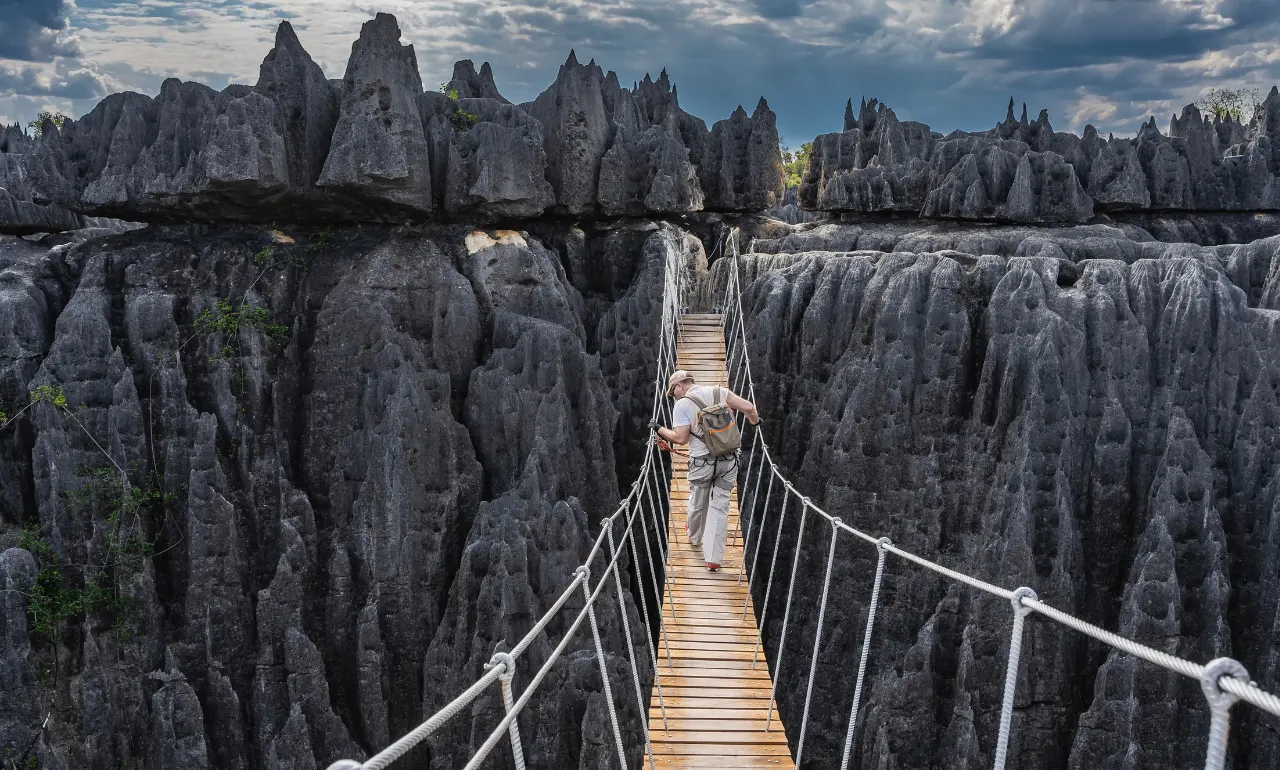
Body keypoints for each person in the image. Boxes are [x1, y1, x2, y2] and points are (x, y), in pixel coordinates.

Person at [654, 370, 759, 572]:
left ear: (679, 386)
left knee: (698, 502)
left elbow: (680, 439)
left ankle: (694, 536)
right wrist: (755, 423)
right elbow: (749, 408)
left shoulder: (682, 404)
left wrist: (659, 428)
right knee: (720, 507)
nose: (673, 396)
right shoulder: (719, 391)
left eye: (672, 392)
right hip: (728, 460)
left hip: (702, 463)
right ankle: (713, 559)